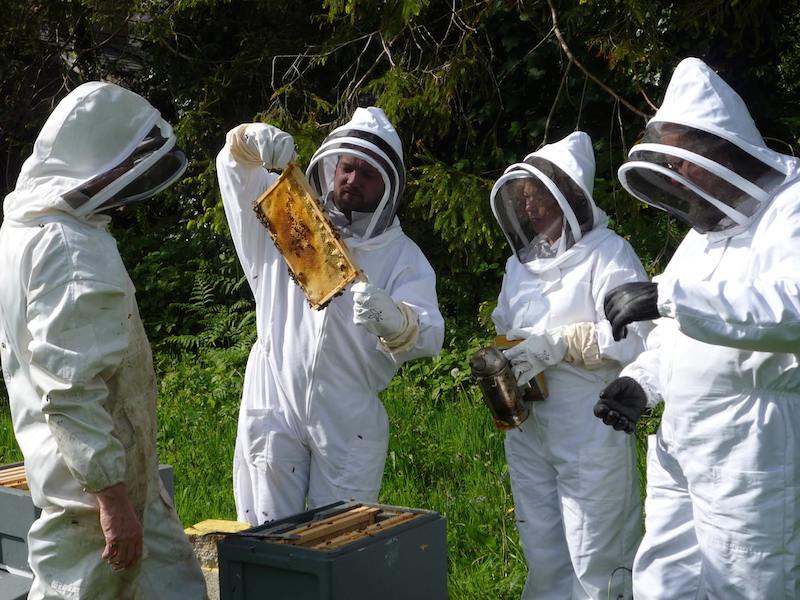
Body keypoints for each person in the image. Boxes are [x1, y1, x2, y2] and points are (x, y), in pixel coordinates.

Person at [594, 57, 800, 598]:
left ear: (720, 149)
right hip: (680, 438)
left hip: (754, 439)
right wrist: (643, 381)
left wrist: (669, 294)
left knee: (749, 582)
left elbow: (791, 308)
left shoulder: (792, 209)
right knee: (664, 578)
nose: (679, 177)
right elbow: (675, 331)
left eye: (685, 160)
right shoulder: (706, 231)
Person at [0, 82, 207, 598]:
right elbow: (70, 389)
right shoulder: (69, 246)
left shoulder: (25, 225)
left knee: (172, 585)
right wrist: (112, 501)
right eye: (123, 162)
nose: (125, 180)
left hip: (105, 471)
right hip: (93, 491)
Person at [216, 107, 444, 524]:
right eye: (347, 167)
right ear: (331, 166)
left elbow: (431, 333)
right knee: (263, 534)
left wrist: (397, 320)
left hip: (347, 410)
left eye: (367, 174)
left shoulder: (402, 257)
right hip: (273, 393)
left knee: (340, 538)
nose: (352, 180)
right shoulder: (292, 219)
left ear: (388, 185)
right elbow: (235, 175)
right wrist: (246, 138)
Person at [489, 131, 649, 599]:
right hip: (528, 425)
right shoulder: (520, 266)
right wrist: (503, 358)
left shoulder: (609, 253)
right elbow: (504, 324)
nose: (533, 208)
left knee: (597, 547)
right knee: (542, 545)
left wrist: (566, 343)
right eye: (527, 198)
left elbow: (639, 335)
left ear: (571, 196)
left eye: (541, 196)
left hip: (589, 424)